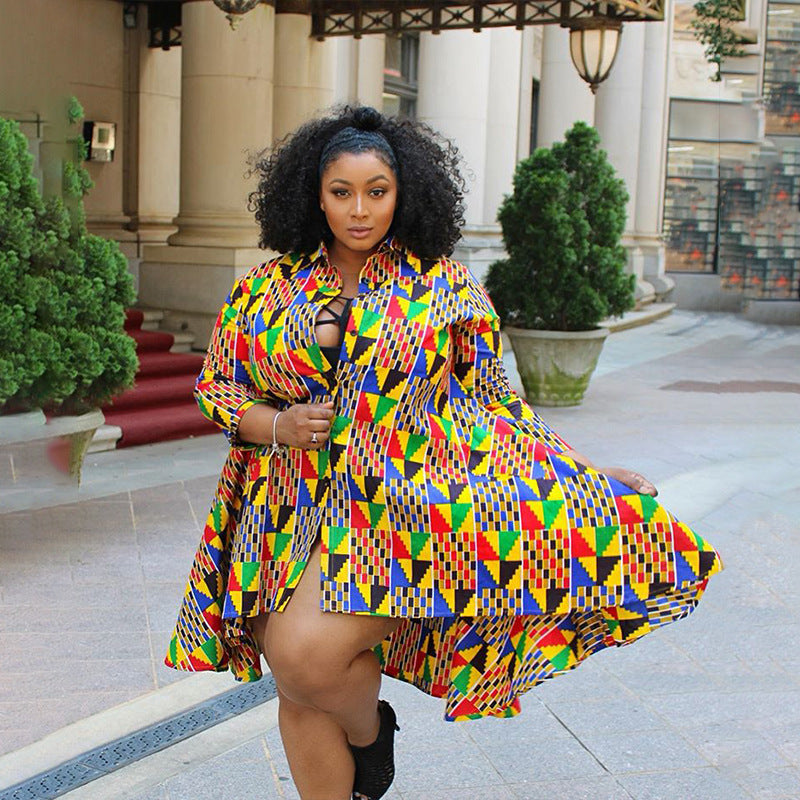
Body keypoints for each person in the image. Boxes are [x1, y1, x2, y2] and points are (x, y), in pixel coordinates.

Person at [165, 105, 722, 800]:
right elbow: (216, 385)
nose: (360, 210)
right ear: (314, 195)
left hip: (402, 510)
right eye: (342, 192)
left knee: (303, 656)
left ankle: (370, 735)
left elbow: (494, 403)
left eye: (378, 192)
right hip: (284, 510)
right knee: (298, 685)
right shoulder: (264, 289)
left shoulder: (444, 285)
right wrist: (273, 425)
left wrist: (581, 477)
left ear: (405, 194)